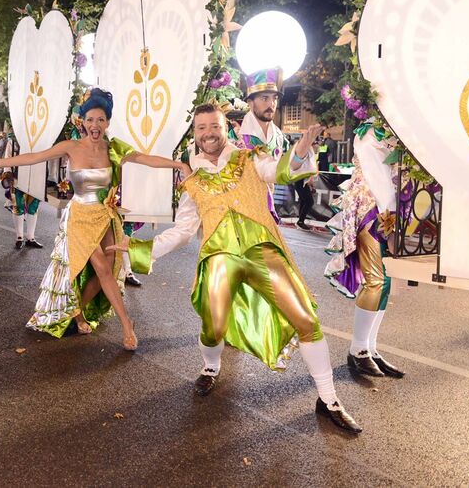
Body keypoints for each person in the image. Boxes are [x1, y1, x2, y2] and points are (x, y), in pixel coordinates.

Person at [112, 103, 362, 433]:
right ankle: (210, 367)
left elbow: (279, 171)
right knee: (213, 326)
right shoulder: (193, 181)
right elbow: (184, 231)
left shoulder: (250, 158)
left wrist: (301, 148)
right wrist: (139, 248)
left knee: (306, 319)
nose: (208, 133)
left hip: (263, 252)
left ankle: (329, 399)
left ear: (225, 128)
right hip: (219, 257)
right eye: (201, 128)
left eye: (214, 126)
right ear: (195, 134)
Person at [0, 88, 190, 350]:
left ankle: (77, 311)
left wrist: (179, 165)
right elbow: (35, 157)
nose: (95, 124)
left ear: (107, 123)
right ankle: (127, 326)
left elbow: (144, 159)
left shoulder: (114, 149)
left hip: (104, 216)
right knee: (101, 267)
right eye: (90, 119)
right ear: (83, 121)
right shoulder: (71, 147)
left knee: (108, 269)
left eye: (101, 120)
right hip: (80, 216)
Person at [324, 121, 404, 379]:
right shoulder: (371, 133)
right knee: (376, 281)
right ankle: (358, 350)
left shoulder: (389, 129)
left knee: (385, 280)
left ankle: (369, 347)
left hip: (382, 208)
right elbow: (380, 181)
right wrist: (390, 224)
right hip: (371, 208)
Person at [237, 68, 290, 222]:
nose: (271, 104)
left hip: (266, 209)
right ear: (250, 102)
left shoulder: (278, 135)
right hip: (239, 211)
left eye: (274, 98)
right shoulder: (236, 135)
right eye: (264, 98)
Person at [0, 131, 43, 249]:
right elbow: (8, 157)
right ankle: (19, 237)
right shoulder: (13, 140)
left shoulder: (39, 138)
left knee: (33, 206)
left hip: (35, 178)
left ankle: (30, 237)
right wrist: (8, 173)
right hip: (17, 178)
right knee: (17, 205)